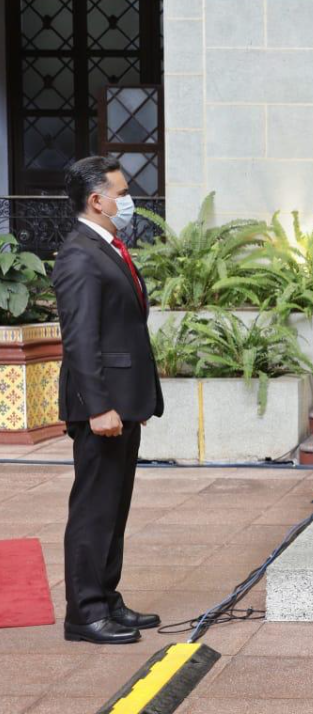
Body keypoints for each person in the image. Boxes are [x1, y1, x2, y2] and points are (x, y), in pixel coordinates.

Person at [53, 156, 164, 645]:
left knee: (114, 507)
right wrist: (98, 407)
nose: (128, 200)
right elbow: (79, 339)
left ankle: (106, 597)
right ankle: (85, 612)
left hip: (124, 401)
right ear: (97, 200)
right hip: (101, 405)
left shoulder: (107, 246)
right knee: (94, 508)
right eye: (121, 192)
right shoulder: (79, 254)